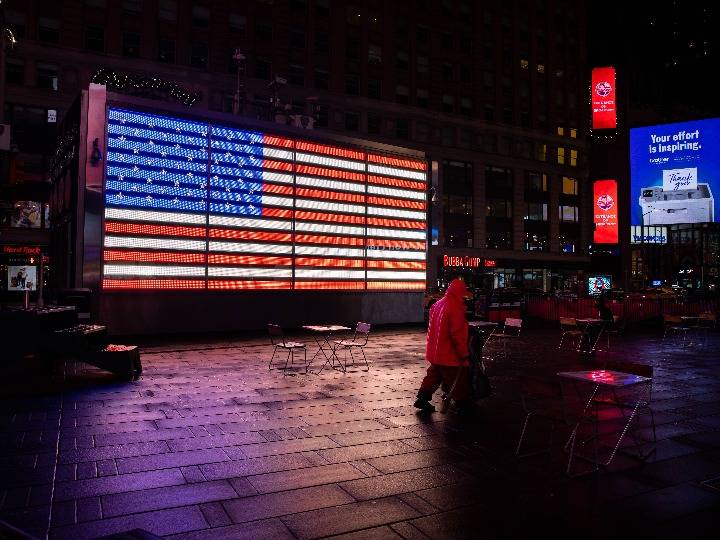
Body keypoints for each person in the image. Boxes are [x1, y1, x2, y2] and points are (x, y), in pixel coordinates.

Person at [414, 278, 473, 413]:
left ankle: (422, 398)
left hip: (435, 352)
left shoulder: (438, 304)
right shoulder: (456, 307)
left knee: (433, 376)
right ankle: (462, 405)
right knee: (458, 380)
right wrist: (463, 353)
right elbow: (456, 334)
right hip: (449, 354)